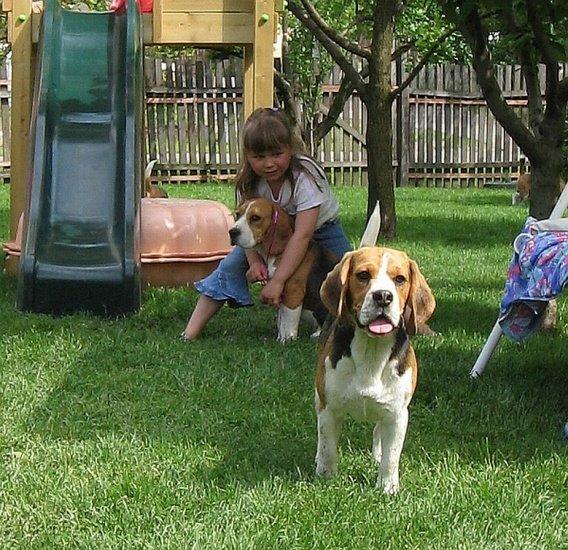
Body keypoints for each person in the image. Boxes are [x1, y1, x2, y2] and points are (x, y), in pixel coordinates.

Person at [181, 107, 351, 341]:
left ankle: (410, 318)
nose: (268, 164)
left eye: (276, 154)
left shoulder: (305, 177)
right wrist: (253, 259)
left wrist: (278, 280)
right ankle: (190, 332)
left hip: (320, 231)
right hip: (267, 232)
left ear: (290, 149)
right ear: (247, 156)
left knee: (353, 277)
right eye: (259, 157)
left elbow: (302, 235)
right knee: (230, 266)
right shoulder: (252, 181)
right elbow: (245, 223)